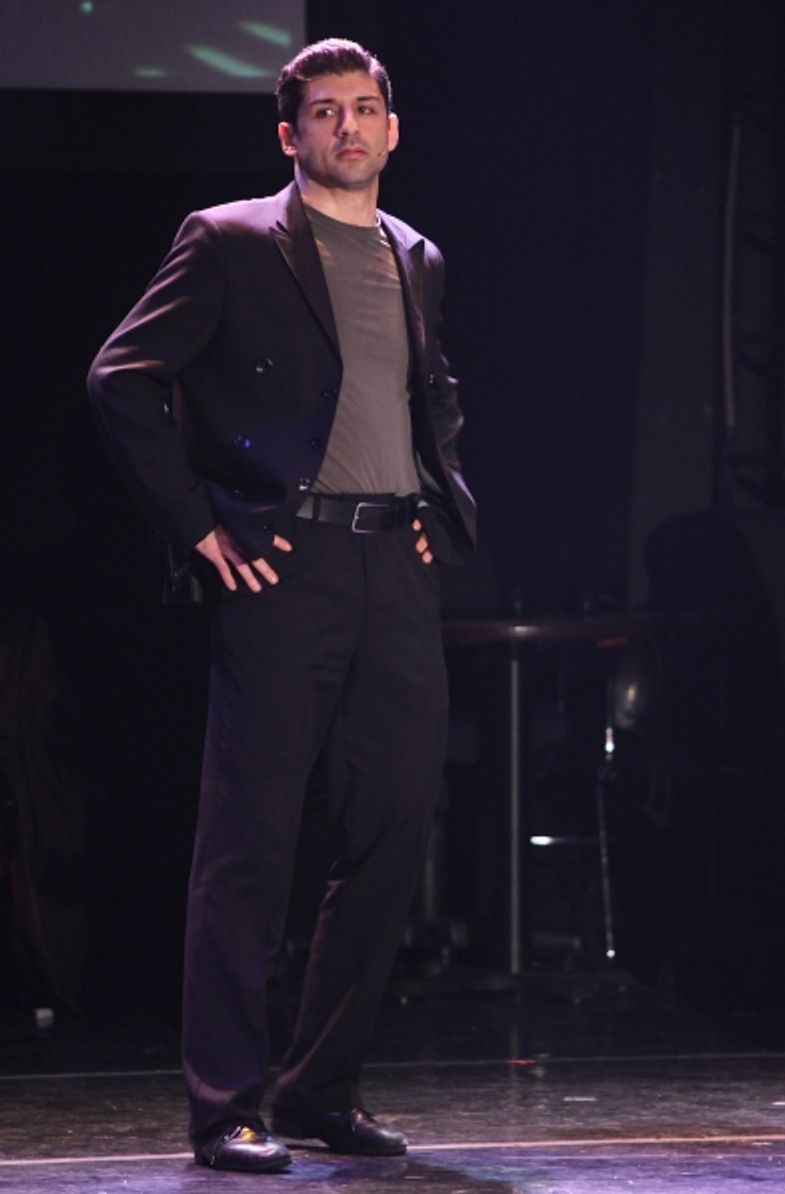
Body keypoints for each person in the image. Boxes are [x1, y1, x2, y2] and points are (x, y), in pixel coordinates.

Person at [88, 38, 475, 1173]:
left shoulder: (417, 255)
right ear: (290, 134)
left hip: (392, 571)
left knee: (393, 831)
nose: (347, 126)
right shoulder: (230, 240)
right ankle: (227, 1103)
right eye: (324, 111)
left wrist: (436, 500)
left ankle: (319, 1087)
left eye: (364, 108)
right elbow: (122, 376)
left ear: (393, 128)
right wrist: (199, 524)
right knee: (250, 842)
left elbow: (431, 391)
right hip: (282, 568)